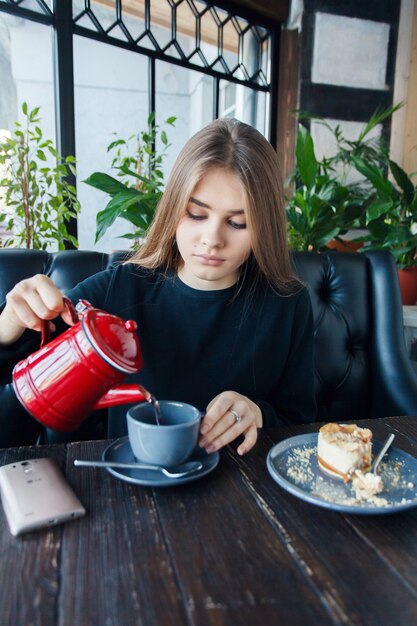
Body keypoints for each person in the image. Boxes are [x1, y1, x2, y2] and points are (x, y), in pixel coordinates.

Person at [0, 118, 316, 451]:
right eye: (196, 214)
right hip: (130, 493)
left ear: (263, 228)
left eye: (238, 223)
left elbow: (301, 422)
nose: (212, 239)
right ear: (174, 209)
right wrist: (9, 323)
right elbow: (16, 400)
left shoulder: (288, 304)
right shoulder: (118, 289)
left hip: (242, 491)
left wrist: (259, 413)